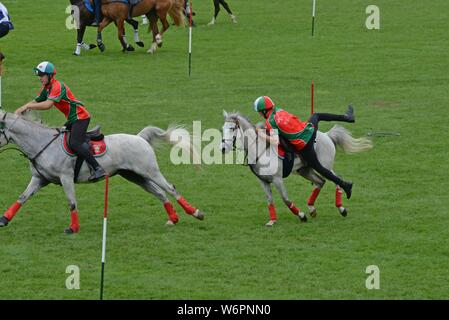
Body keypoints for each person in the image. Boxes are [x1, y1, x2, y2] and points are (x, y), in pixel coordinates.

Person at [15, 61, 106, 182]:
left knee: (75, 143)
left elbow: (48, 105)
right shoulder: (46, 88)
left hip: (81, 118)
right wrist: (22, 108)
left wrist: (27, 107)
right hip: (72, 119)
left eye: (42, 75)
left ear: (50, 75)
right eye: (39, 75)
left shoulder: (58, 86)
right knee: (57, 137)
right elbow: (36, 101)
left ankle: (98, 168)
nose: (40, 78)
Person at [253, 96, 354, 199]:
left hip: (304, 146)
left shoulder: (270, 123)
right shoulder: (279, 111)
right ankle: (347, 117)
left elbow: (276, 140)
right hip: (309, 130)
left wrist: (262, 134)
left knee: (320, 169)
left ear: (264, 111)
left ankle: (345, 185)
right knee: (316, 116)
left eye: (259, 112)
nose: (260, 114)